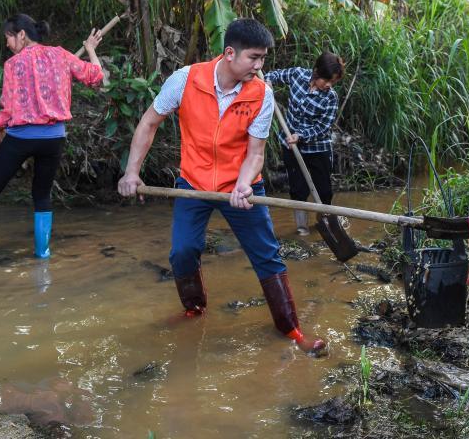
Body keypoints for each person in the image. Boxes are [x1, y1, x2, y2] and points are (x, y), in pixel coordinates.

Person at [116, 18, 326, 355]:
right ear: (230, 53)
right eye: (254, 58)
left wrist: (243, 185)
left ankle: (292, 330)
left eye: (263, 59)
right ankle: (194, 309)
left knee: (267, 256)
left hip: (240, 188)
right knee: (182, 251)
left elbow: (255, 153)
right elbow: (149, 122)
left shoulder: (262, 93)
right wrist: (132, 173)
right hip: (193, 184)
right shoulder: (185, 80)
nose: (259, 67)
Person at [0, 14, 104, 270]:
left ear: (21, 35)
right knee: (42, 195)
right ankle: (43, 255)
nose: (7, 44)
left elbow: (9, 107)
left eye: (8, 38)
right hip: (54, 138)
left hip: (22, 138)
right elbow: (95, 77)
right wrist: (90, 50)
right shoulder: (61, 54)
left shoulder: (13, 64)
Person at [265, 52, 344, 236]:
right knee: (297, 189)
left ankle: (326, 224)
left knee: (324, 191)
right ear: (317, 72)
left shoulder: (330, 97)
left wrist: (301, 135)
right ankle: (302, 229)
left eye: (333, 82)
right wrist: (268, 82)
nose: (329, 85)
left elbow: (323, 127)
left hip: (317, 149)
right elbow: (274, 75)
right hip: (291, 146)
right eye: (327, 80)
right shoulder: (298, 75)